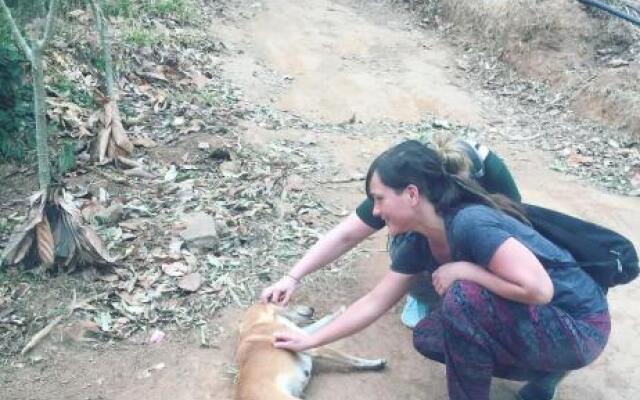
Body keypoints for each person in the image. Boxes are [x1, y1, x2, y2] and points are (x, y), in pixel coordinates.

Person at [270, 140, 610, 400]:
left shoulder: (470, 222)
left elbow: (540, 290)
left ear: (412, 194)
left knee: (462, 299)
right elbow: (375, 301)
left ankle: (551, 365)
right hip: (544, 319)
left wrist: (467, 271)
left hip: (579, 324)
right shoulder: (421, 239)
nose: (375, 210)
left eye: (379, 199)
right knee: (430, 335)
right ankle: (542, 368)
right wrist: (310, 339)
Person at [260, 134, 522, 328]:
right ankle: (422, 293)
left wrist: (472, 270)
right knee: (411, 241)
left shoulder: (489, 183)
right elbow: (345, 234)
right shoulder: (403, 182)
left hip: (486, 247)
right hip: (436, 240)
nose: (376, 210)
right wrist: (292, 277)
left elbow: (520, 231)